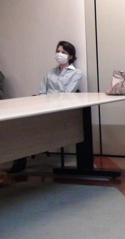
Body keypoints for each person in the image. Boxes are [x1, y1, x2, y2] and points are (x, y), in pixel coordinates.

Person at [9, 40, 83, 174]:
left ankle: (24, 154)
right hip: (45, 108)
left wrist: (53, 95)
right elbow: (42, 92)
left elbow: (68, 93)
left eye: (63, 52)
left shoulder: (76, 73)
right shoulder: (50, 73)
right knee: (22, 124)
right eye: (58, 51)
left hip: (62, 110)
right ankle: (20, 157)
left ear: (71, 56)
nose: (59, 54)